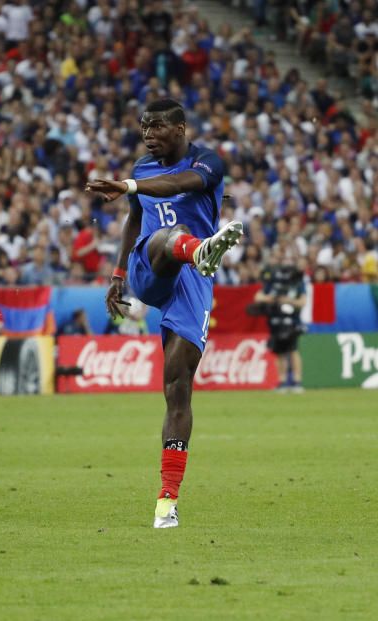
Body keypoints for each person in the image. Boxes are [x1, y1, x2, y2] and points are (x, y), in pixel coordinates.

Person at [86, 99, 244, 529]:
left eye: (157, 126)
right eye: (144, 126)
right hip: (150, 265)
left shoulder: (207, 162)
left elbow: (183, 183)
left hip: (192, 284)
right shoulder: (141, 168)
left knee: (177, 385)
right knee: (168, 234)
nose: (148, 133)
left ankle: (166, 502)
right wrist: (118, 273)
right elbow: (135, 220)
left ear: (181, 128)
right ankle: (198, 248)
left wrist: (131, 187)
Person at [254, 250, 306, 392]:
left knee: (293, 350)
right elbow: (258, 297)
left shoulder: (297, 281)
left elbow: (303, 302)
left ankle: (297, 381)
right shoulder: (273, 281)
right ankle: (282, 381)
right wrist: (270, 299)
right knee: (279, 351)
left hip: (292, 321)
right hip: (275, 320)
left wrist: (287, 300)